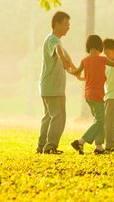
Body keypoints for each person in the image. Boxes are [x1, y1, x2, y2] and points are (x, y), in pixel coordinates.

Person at [69, 35, 114, 155]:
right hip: (98, 95)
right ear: (100, 47)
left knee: (99, 120)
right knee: (101, 122)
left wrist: (68, 68)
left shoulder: (85, 60)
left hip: (88, 95)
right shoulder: (102, 60)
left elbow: (76, 72)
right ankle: (80, 141)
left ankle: (99, 147)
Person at [37, 11, 77, 154]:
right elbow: (59, 53)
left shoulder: (54, 40)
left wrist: (75, 71)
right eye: (66, 24)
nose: (68, 27)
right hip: (53, 88)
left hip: (48, 87)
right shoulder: (53, 40)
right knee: (58, 117)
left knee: (49, 116)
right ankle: (50, 146)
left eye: (68, 25)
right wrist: (70, 68)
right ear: (56, 24)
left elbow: (66, 56)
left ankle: (42, 146)